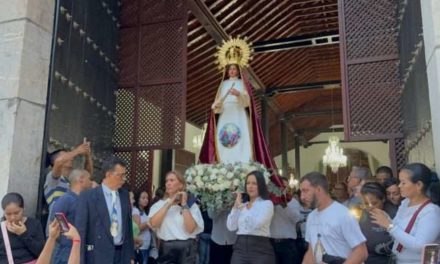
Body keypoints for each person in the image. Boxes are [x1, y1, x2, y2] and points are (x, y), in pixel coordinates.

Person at [370, 163, 440, 264]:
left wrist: (390, 226)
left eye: (403, 183)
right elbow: (397, 229)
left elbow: (420, 246)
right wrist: (386, 219)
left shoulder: (431, 211)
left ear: (419, 185)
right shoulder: (405, 202)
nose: (399, 186)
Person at [75, 156, 134, 264]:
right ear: (108, 174)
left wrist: (130, 256)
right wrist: (80, 259)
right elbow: (81, 231)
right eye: (121, 175)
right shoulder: (89, 197)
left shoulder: (124, 195)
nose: (124, 179)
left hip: (122, 255)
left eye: (125, 175)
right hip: (98, 256)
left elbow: (128, 227)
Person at [300, 172, 368, 264]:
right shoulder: (311, 216)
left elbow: (361, 252)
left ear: (318, 190)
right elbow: (311, 251)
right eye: (301, 192)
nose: (302, 197)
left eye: (305, 191)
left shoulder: (343, 214)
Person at [149, 171, 204, 264]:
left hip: (187, 250)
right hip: (167, 249)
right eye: (166, 181)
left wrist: (184, 205)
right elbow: (153, 223)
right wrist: (169, 203)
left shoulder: (191, 206)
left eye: (172, 180)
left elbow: (190, 229)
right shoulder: (158, 205)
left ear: (181, 185)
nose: (168, 183)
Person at [227, 171, 275, 264]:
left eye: (254, 183)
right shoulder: (243, 206)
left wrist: (243, 208)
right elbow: (231, 226)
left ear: (260, 185)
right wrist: (235, 206)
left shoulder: (267, 204)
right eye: (248, 183)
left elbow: (256, 224)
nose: (250, 186)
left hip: (260, 250)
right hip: (239, 249)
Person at [44, 141, 93, 234]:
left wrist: (87, 156)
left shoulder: (70, 180)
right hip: (57, 232)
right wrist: (77, 151)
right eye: (66, 156)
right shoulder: (53, 179)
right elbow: (59, 162)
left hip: (72, 230)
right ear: (55, 161)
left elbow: (87, 176)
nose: (71, 157)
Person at [50, 169, 92, 264]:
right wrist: (67, 238)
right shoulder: (66, 199)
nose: (91, 182)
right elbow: (56, 221)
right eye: (89, 179)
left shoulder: (83, 201)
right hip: (65, 252)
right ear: (81, 179)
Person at [0, 192, 45, 264]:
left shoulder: (34, 224)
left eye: (16, 213)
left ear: (23, 209)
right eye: (8, 214)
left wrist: (24, 234)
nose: (13, 217)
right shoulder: (1, 228)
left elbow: (41, 252)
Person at [358, 182, 393, 264]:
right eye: (366, 204)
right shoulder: (363, 214)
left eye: (374, 203)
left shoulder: (394, 214)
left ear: (383, 198)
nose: (370, 208)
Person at [270, 177, 301, 264]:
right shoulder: (268, 202)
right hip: (271, 243)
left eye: (284, 187)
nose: (282, 189)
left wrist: (285, 206)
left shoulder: (293, 202)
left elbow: (296, 218)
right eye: (279, 186)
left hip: (287, 244)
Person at [133, 191, 152, 264]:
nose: (146, 200)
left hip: (146, 246)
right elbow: (137, 229)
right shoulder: (135, 211)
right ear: (138, 199)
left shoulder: (145, 211)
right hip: (140, 246)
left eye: (147, 198)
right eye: (143, 198)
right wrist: (149, 221)